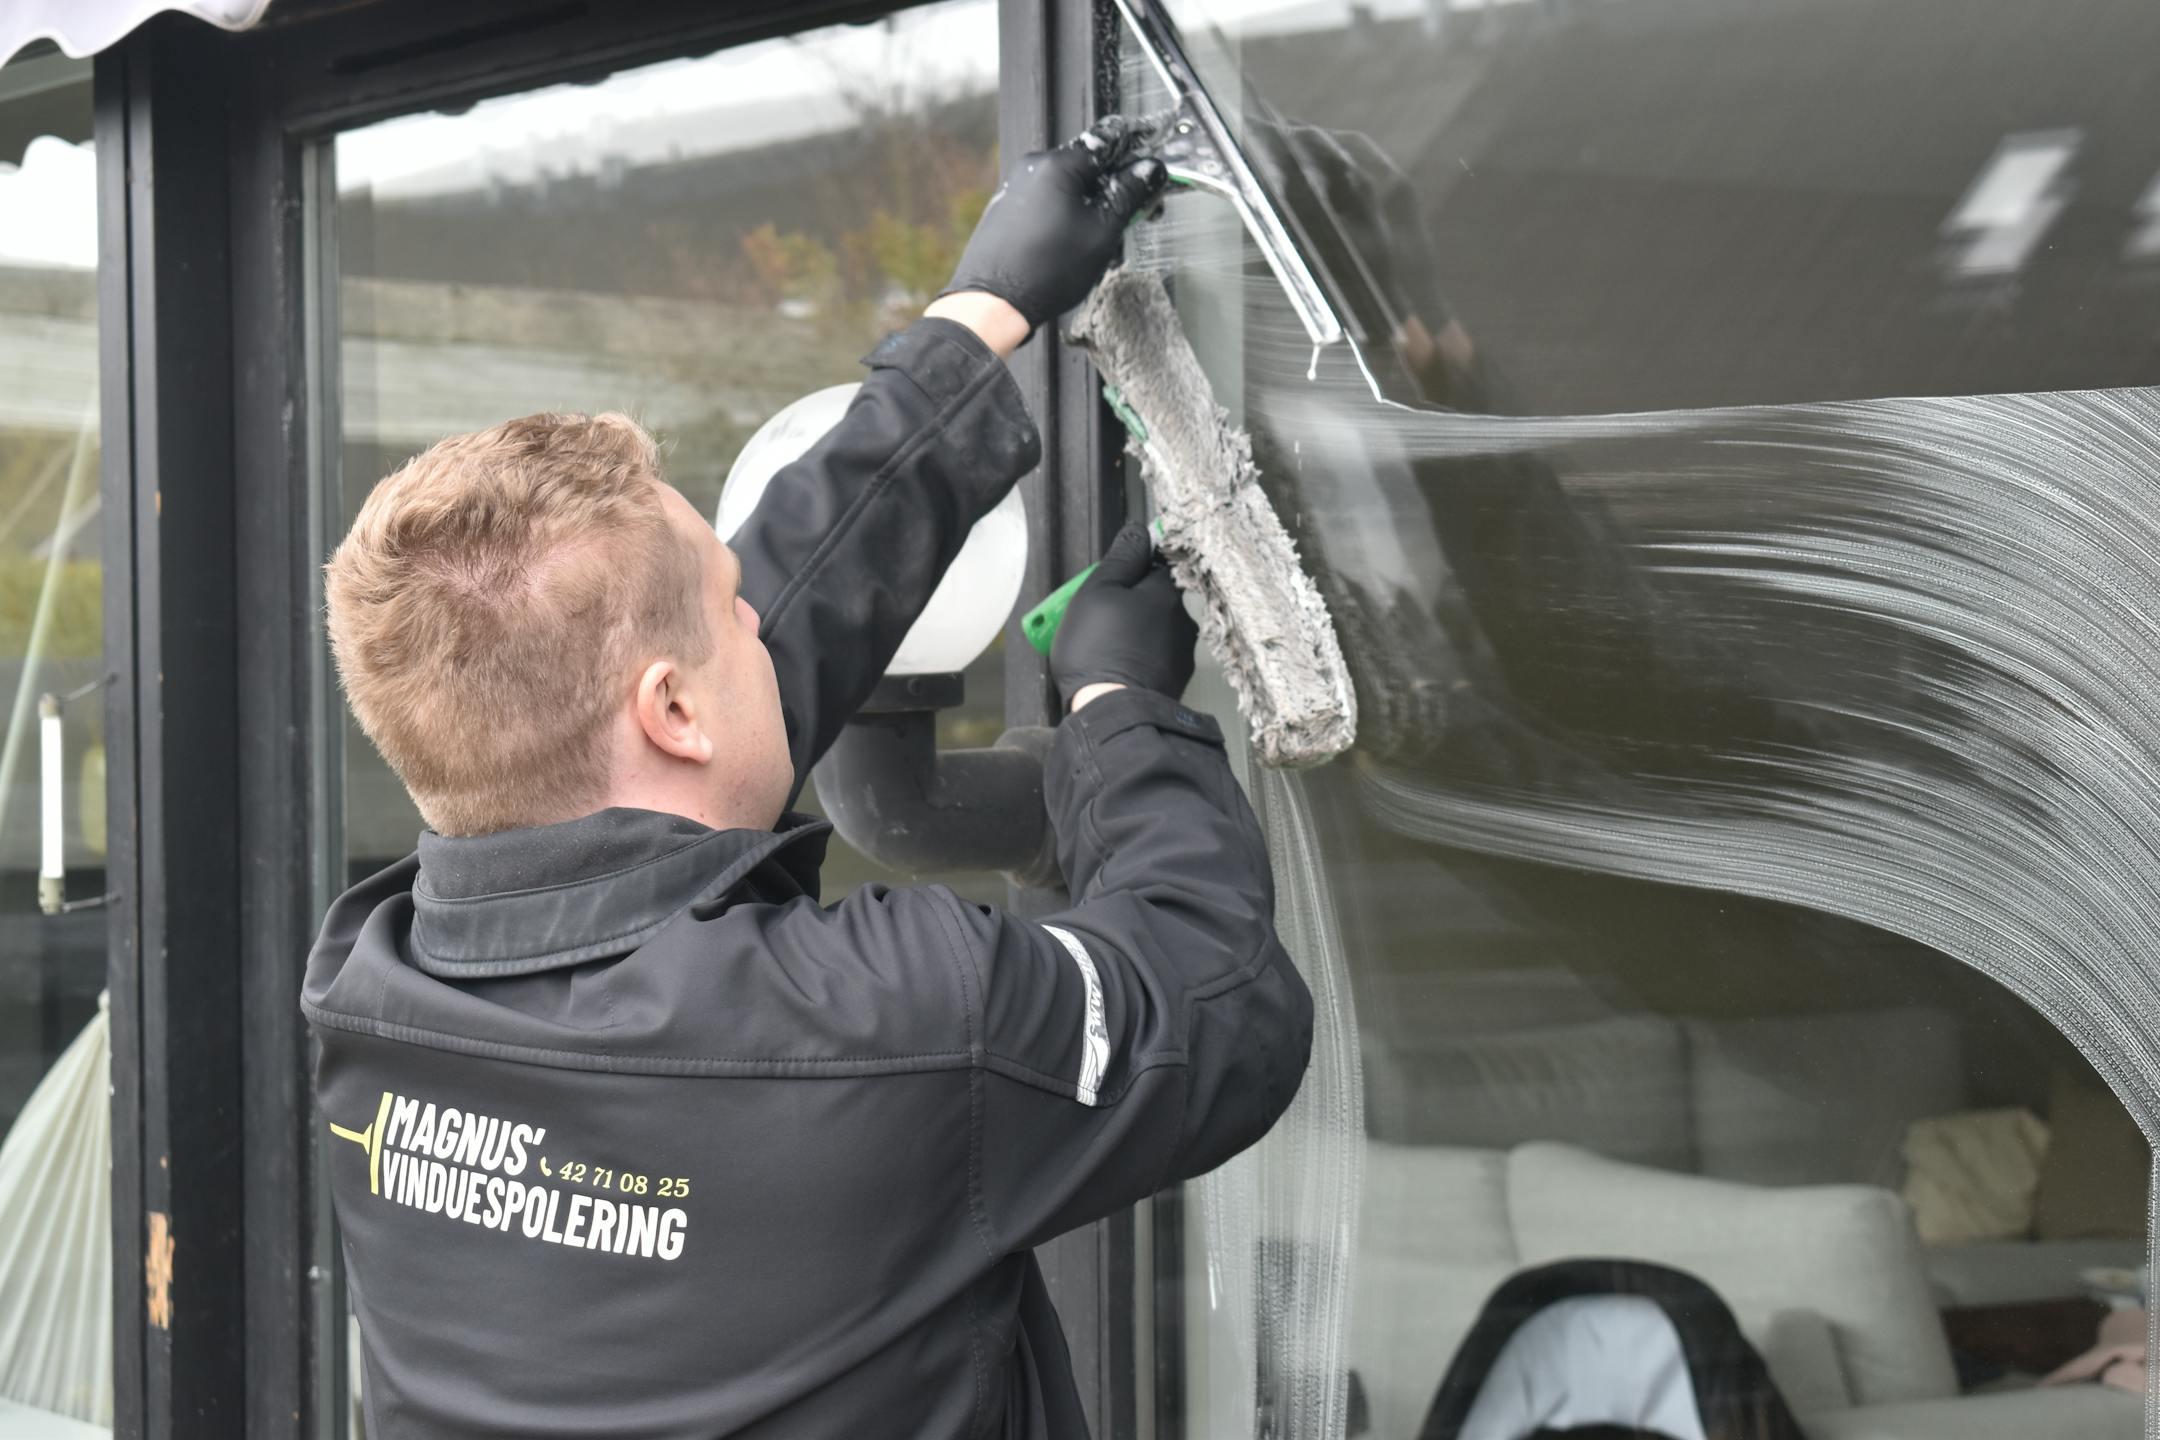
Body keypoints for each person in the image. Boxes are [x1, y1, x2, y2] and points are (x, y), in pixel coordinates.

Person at [301, 117, 1314, 1440]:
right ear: (669, 709)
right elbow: (1217, 1002)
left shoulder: (374, 999)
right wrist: (1122, 709)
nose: (757, 623)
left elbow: (744, 663)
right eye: (729, 608)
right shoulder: (879, 1022)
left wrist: (976, 323)